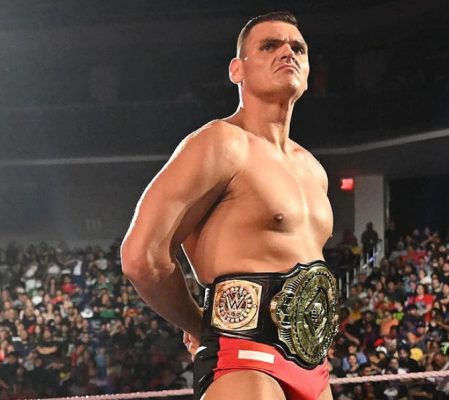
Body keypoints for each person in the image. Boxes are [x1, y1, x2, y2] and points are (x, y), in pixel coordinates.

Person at [121, 11, 339, 400]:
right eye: (269, 46)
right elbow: (141, 257)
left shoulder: (313, 169)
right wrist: (199, 323)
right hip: (244, 360)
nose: (287, 52)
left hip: (315, 367)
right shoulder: (220, 142)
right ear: (237, 70)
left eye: (298, 48)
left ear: (308, 72)